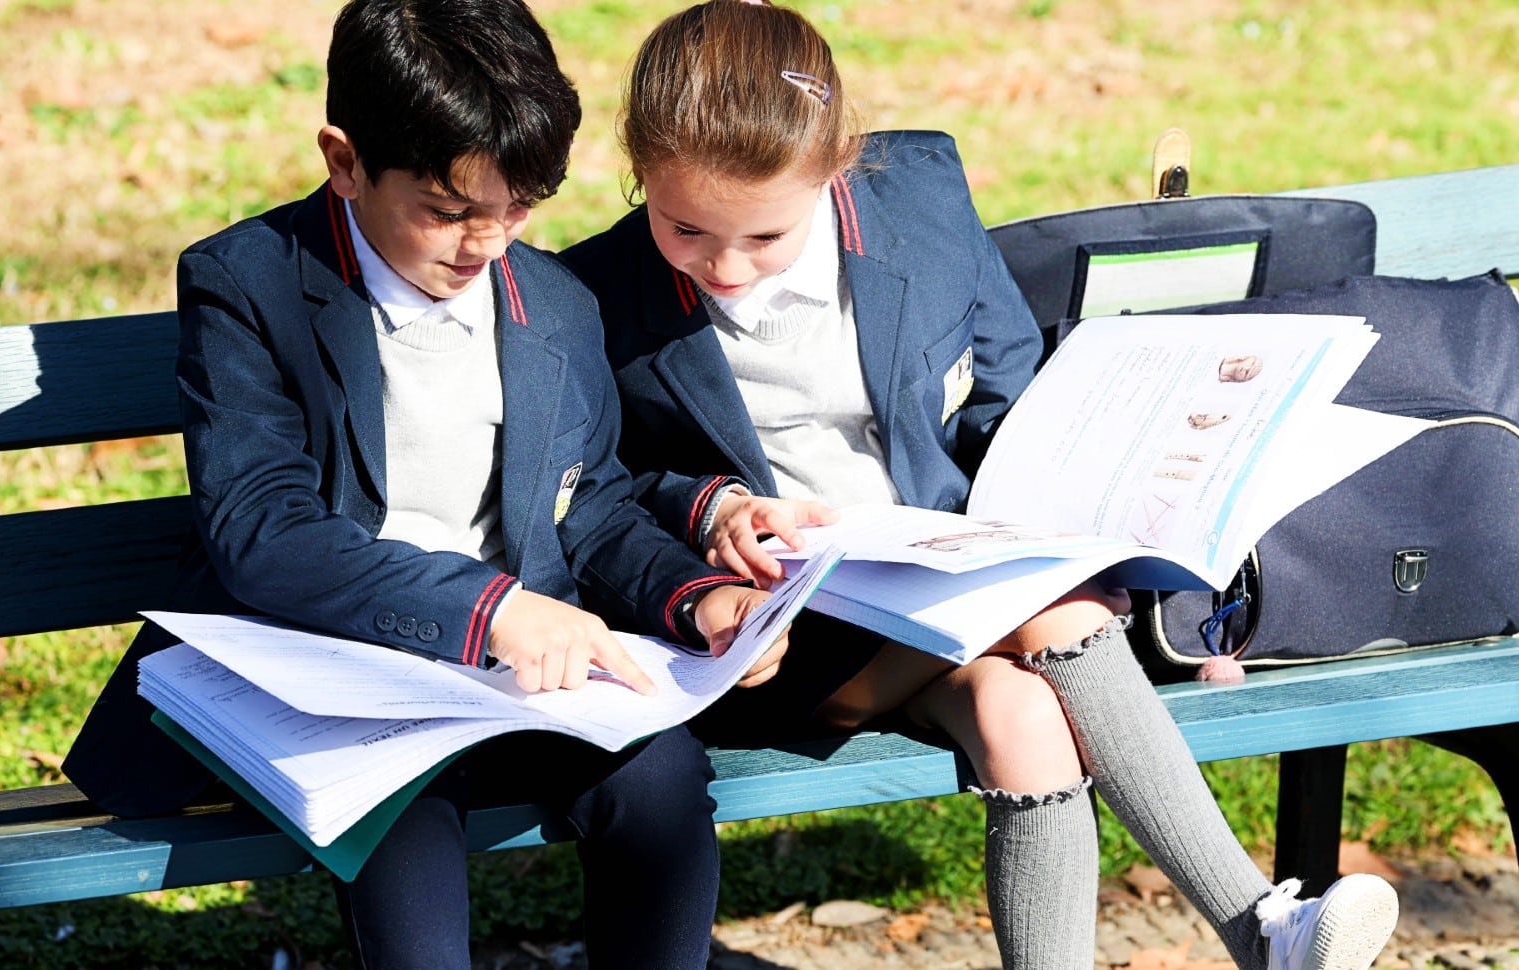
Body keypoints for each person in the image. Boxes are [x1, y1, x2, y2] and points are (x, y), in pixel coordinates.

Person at [562, 2, 1399, 968]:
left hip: (947, 584)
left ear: (837, 169)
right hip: (772, 635)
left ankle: (1258, 930)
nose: (726, 269)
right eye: (688, 230)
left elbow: (1012, 395)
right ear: (636, 170)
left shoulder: (917, 195)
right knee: (1060, 613)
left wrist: (1090, 517)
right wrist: (715, 514)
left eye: (765, 237)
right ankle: (1262, 925)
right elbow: (603, 486)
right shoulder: (602, 289)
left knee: (1023, 714)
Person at [61, 2, 783, 967]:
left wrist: (699, 601)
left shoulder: (554, 304)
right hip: (328, 679)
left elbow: (593, 501)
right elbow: (263, 530)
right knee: (405, 843)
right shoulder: (251, 283)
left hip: (516, 685)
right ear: (345, 159)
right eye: (447, 212)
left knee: (661, 791)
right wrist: (491, 610)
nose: (484, 243)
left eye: (517, 209)